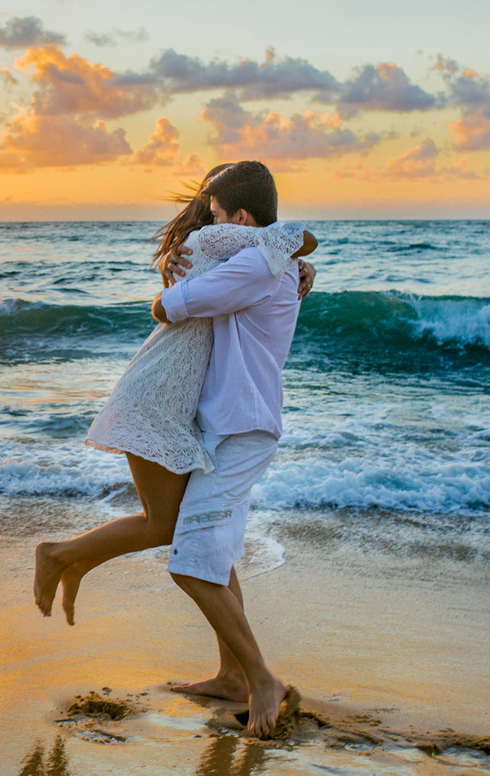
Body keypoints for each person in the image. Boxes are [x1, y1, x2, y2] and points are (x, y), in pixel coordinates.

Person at [33, 161, 310, 738]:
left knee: (190, 558)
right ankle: (234, 677)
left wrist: (173, 291)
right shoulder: (257, 257)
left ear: (240, 218)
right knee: (209, 548)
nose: (206, 229)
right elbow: (248, 255)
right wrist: (182, 265)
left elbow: (178, 304)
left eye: (214, 218)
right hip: (216, 421)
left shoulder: (260, 261)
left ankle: (260, 678)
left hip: (239, 427)